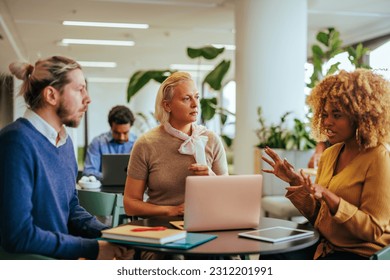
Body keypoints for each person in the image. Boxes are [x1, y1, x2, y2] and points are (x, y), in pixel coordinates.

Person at [0, 56, 131, 260]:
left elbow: (70, 208)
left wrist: (109, 234)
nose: (88, 98)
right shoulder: (16, 141)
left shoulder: (64, 142)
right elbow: (18, 235)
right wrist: (93, 249)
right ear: (51, 95)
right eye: (80, 89)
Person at [261, 69, 390, 260]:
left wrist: (330, 197)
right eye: (325, 114)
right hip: (326, 244)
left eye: (337, 115)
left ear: (360, 116)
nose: (327, 122)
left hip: (360, 254)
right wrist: (295, 182)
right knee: (272, 255)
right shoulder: (330, 154)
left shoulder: (378, 157)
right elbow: (318, 218)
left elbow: (372, 230)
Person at [123, 71, 228, 218]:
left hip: (207, 222)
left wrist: (211, 176)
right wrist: (172, 210)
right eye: (186, 98)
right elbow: (130, 204)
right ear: (167, 106)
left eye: (196, 97)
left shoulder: (211, 139)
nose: (195, 104)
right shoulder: (146, 144)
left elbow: (228, 196)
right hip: (161, 228)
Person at [82, 105, 137, 180]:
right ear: (111, 127)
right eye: (117, 132)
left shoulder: (138, 144)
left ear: (130, 127)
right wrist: (111, 177)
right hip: (103, 189)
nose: (121, 137)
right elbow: (88, 171)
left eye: (125, 133)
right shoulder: (97, 143)